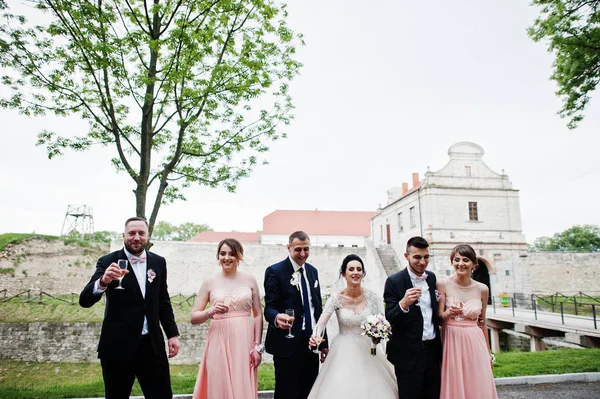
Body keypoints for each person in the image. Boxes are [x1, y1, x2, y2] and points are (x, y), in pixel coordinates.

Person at [79, 217, 180, 399]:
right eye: (131, 233)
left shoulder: (158, 262)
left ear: (147, 236)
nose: (136, 237)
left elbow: (163, 301)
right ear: (123, 235)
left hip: (152, 347)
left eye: (141, 233)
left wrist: (172, 334)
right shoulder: (108, 261)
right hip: (117, 347)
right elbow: (85, 300)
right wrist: (103, 282)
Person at [307, 254, 398, 398]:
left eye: (359, 269)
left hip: (369, 350)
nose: (355, 272)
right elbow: (321, 323)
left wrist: (378, 336)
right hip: (343, 349)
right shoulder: (336, 298)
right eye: (351, 269)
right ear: (344, 274)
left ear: (363, 273)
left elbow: (380, 320)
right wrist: (315, 336)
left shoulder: (372, 296)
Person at [190, 238, 263, 399]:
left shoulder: (250, 280)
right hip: (218, 340)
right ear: (218, 257)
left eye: (232, 254)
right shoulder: (210, 282)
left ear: (239, 257)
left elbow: (258, 315)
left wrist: (257, 346)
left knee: (241, 383)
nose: (227, 258)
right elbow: (194, 317)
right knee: (218, 382)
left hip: (244, 342)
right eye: (222, 254)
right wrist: (210, 311)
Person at [264, 231, 329, 399]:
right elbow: (270, 307)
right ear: (289, 248)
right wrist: (277, 318)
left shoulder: (313, 272)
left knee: (308, 392)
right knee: (286, 393)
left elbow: (318, 310)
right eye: (298, 249)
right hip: (287, 343)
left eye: (306, 249)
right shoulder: (274, 271)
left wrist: (323, 343)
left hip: (311, 342)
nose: (302, 254)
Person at [383, 236, 442, 399]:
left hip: (432, 352)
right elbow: (389, 318)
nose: (422, 262)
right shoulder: (393, 281)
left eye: (426, 257)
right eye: (417, 257)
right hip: (408, 355)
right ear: (406, 256)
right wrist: (404, 303)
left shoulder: (431, 277)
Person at [437, 244, 498, 399]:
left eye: (465, 260)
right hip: (451, 340)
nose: (460, 263)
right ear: (452, 262)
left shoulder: (482, 289)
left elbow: (483, 322)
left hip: (475, 341)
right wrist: (448, 313)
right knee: (454, 382)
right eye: (456, 259)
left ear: (474, 264)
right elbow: (438, 320)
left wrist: (488, 352)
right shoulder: (442, 284)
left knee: (476, 382)